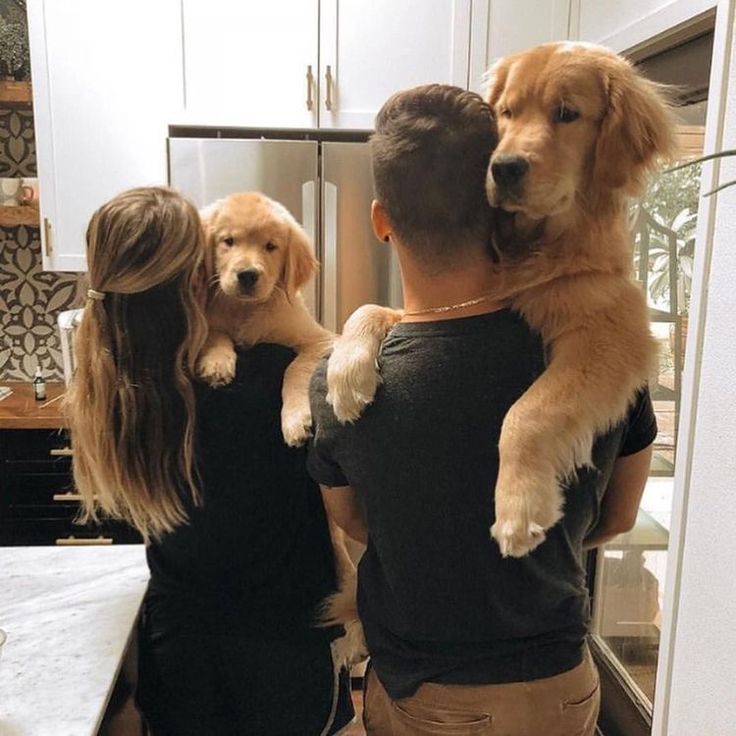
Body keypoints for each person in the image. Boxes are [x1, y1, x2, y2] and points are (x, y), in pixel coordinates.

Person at [307, 85, 657, 735]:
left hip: (424, 688)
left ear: (381, 221)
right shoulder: (595, 355)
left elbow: (355, 521)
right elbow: (619, 514)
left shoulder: (339, 379)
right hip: (557, 682)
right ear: (501, 209)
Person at [66, 186, 354, 736]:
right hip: (278, 650)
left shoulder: (116, 381)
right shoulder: (262, 379)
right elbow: (349, 508)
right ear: (194, 272)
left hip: (178, 647)